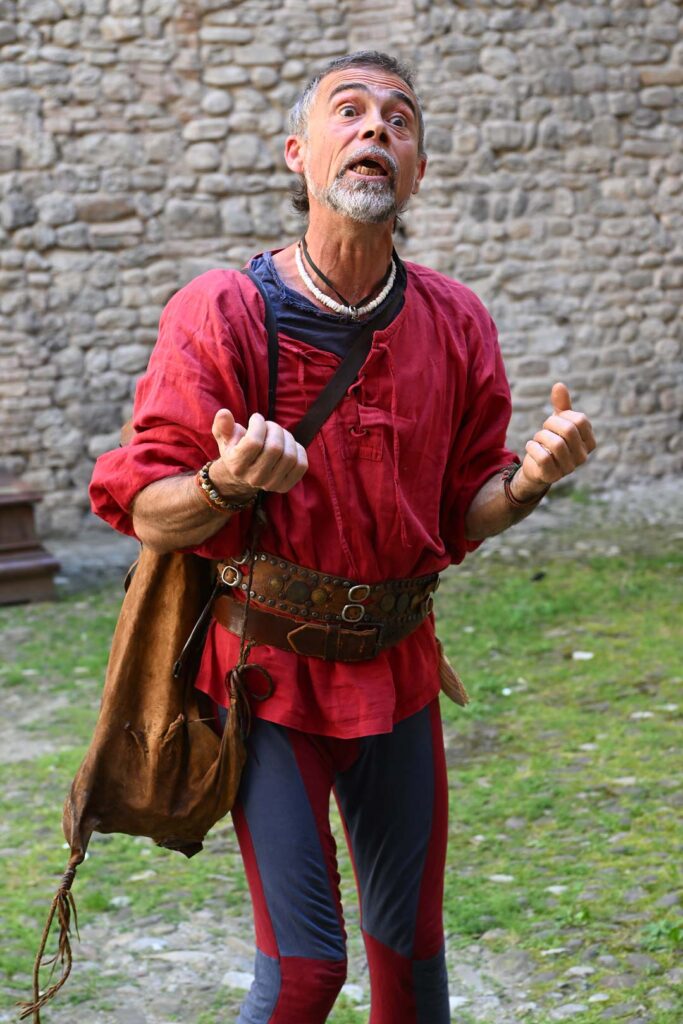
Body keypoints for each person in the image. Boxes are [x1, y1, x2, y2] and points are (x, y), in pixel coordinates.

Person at [90, 50, 596, 1024]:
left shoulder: (455, 320)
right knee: (305, 972)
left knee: (411, 962)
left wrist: (527, 484)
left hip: (399, 672)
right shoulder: (221, 311)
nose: (375, 130)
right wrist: (224, 481)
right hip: (267, 679)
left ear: (417, 170)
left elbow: (464, 510)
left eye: (398, 121)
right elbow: (145, 507)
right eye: (349, 111)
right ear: (298, 152)